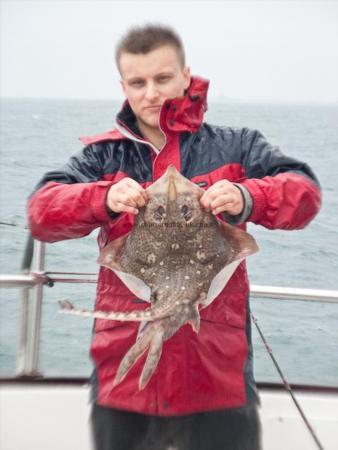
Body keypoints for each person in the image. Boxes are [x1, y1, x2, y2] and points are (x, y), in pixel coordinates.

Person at [28, 25, 321, 450]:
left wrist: (247, 195)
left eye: (163, 79)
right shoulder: (104, 156)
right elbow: (42, 212)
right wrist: (102, 198)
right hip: (123, 384)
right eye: (138, 82)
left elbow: (304, 193)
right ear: (123, 86)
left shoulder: (237, 148)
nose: (151, 93)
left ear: (186, 76)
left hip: (217, 378)